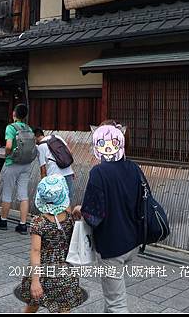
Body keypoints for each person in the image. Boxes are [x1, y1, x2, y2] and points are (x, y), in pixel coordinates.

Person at [72, 124, 141, 313]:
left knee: (116, 302)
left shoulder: (99, 172)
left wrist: (79, 209)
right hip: (133, 241)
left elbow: (93, 215)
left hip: (112, 246)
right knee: (112, 294)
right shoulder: (134, 168)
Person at [20, 175, 84, 313]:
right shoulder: (70, 218)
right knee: (63, 308)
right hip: (64, 271)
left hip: (41, 270)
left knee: (33, 303)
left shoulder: (39, 222)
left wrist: (35, 281)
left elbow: (36, 251)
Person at [0, 103, 37, 235]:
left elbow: (9, 145)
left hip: (13, 163)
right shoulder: (29, 129)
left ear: (14, 114)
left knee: (7, 191)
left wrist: (6, 154)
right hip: (26, 163)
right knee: (23, 194)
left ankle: (3, 220)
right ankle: (22, 225)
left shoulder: (11, 127)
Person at [34, 128, 75, 206]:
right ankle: (68, 217)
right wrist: (71, 170)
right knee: (68, 198)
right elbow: (69, 152)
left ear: (35, 136)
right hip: (68, 172)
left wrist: (44, 184)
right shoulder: (56, 137)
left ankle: (58, 218)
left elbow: (43, 169)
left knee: (56, 201)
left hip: (54, 176)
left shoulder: (40, 147)